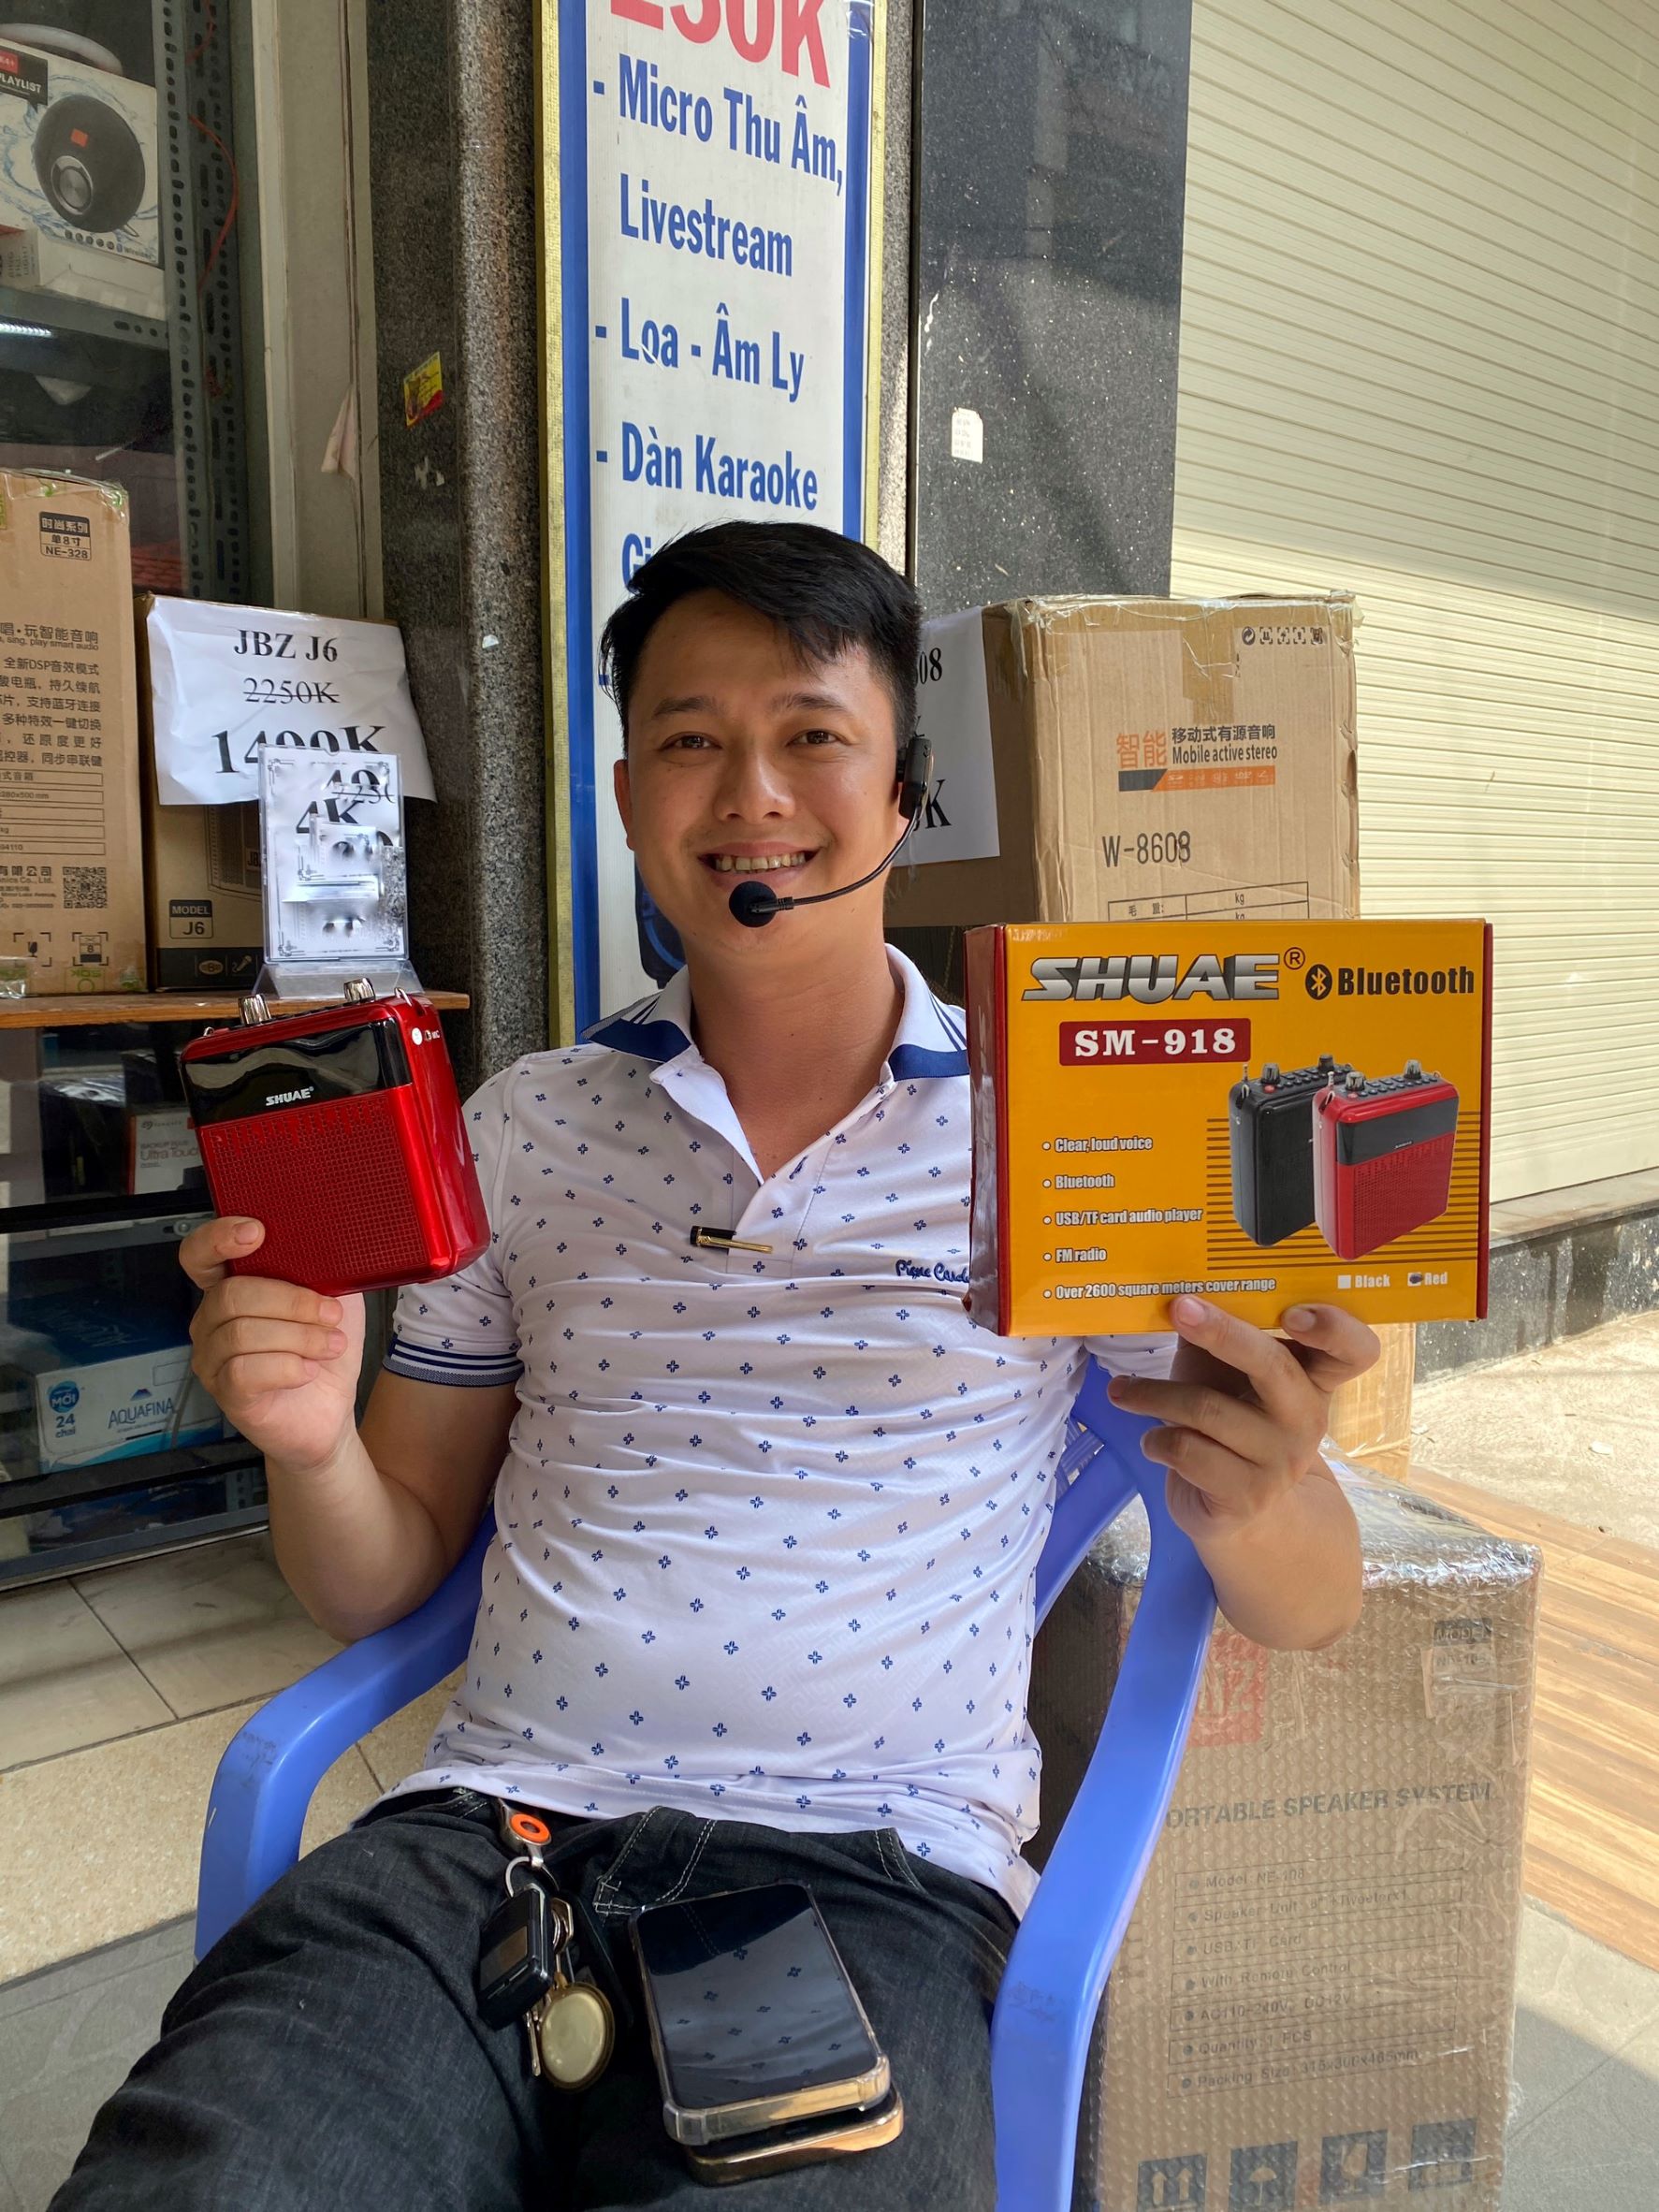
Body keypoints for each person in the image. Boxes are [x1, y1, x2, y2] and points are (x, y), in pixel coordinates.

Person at [56, 523, 1373, 2209]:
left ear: (903, 796)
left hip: (871, 1882)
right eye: (690, 739)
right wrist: (308, 1444)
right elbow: (374, 1585)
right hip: (479, 1854)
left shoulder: (1063, 1137)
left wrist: (1264, 1482)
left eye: (812, 735)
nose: (751, 793)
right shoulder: (522, 1128)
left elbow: (1310, 1605)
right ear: (626, 799)